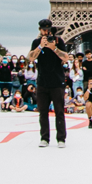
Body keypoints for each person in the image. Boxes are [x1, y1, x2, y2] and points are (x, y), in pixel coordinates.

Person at [28, 19, 71, 148]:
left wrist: (54, 49)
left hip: (57, 82)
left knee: (59, 112)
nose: (46, 32)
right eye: (43, 30)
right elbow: (30, 58)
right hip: (42, 82)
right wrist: (40, 46)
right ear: (40, 30)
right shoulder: (36, 42)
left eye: (48, 29)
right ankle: (44, 137)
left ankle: (61, 138)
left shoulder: (59, 41)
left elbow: (66, 57)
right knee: (43, 112)